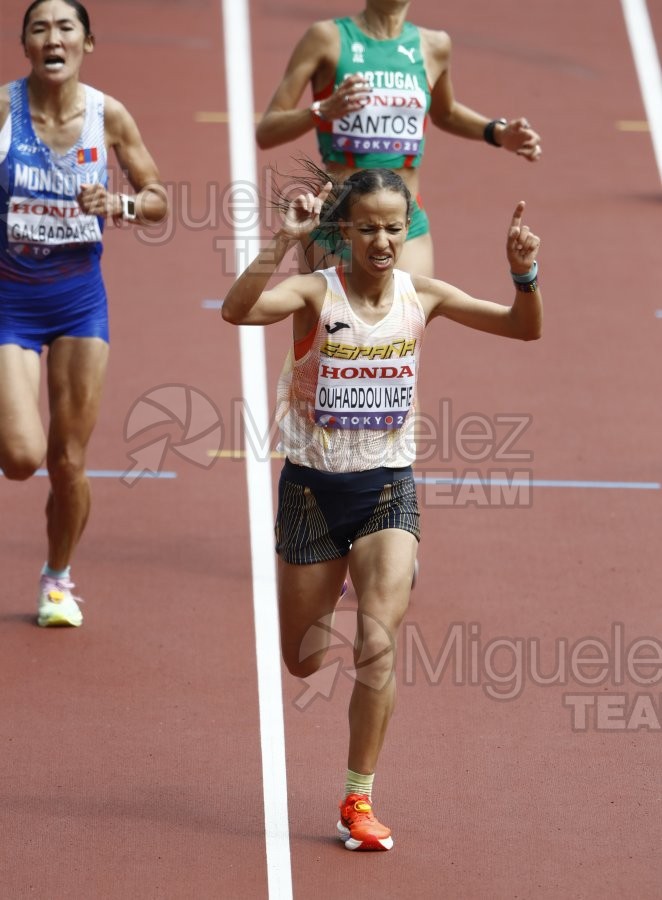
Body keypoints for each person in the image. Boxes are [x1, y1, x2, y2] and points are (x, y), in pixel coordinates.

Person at [222, 168, 542, 850]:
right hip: (311, 491)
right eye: (367, 227)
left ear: (408, 228)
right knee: (304, 660)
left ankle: (357, 800)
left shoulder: (420, 295)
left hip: (386, 489)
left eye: (394, 227)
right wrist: (280, 241)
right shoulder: (316, 293)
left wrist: (525, 272)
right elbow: (238, 311)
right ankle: (349, 575)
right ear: (343, 231)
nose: (383, 240)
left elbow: (523, 329)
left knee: (376, 643)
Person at [0, 0, 168, 627]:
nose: (53, 37)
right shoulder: (4, 110)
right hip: (9, 302)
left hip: (77, 304)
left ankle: (57, 580)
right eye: (39, 27)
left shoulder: (108, 116)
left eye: (65, 27)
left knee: (67, 460)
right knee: (20, 457)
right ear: (25, 45)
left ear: (87, 43)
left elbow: (158, 200)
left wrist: (118, 205)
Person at [255, 0, 542, 278]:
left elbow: (447, 113)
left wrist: (497, 132)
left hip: (406, 219)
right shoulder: (327, 38)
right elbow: (267, 130)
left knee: (407, 324)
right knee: (334, 327)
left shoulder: (434, 45)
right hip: (338, 220)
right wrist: (322, 111)